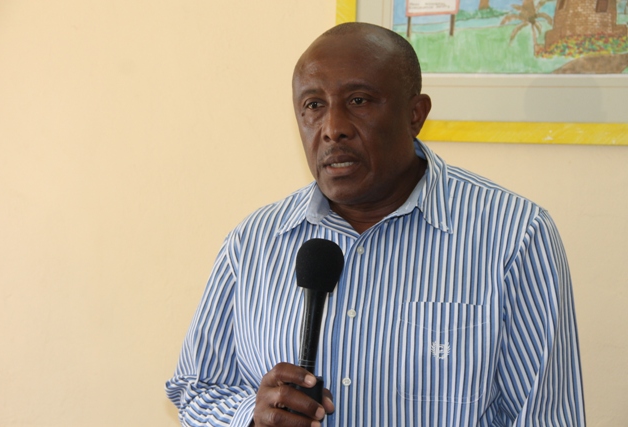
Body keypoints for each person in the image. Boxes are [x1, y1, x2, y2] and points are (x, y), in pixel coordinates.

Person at [165, 22, 585, 426]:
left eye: (359, 101)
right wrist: (251, 418)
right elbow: (197, 389)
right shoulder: (254, 241)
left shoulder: (514, 235)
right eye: (313, 105)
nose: (333, 129)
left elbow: (546, 418)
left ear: (416, 114)